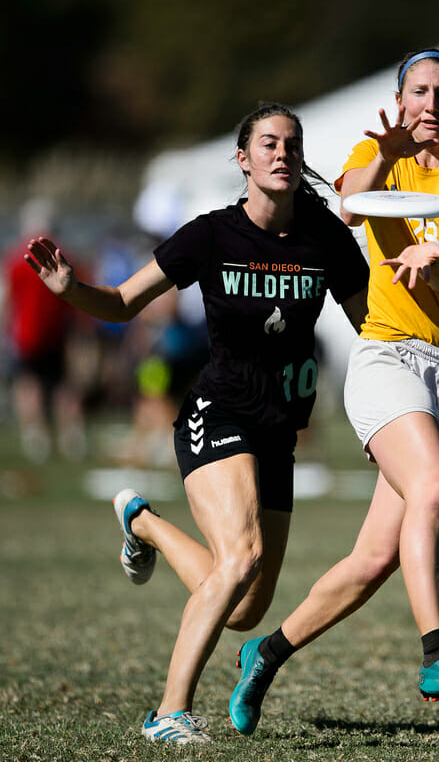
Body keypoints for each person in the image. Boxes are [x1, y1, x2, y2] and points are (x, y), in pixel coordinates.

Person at [24, 103, 369, 745]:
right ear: (243, 159)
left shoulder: (327, 238)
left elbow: (370, 329)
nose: (282, 153)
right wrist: (72, 289)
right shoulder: (211, 235)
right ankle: (168, 714)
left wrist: (387, 415)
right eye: (268, 143)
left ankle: (144, 523)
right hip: (219, 413)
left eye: (292, 143)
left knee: (244, 608)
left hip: (278, 431)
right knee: (240, 557)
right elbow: (125, 302)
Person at [229, 48, 439, 735]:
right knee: (434, 487)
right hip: (387, 358)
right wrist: (383, 154)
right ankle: (437, 655)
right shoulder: (373, 153)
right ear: (400, 97)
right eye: (418, 91)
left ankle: (263, 654)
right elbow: (350, 207)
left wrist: (435, 256)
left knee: (375, 557)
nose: (430, 104)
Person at [2, 198, 87, 462]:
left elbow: (7, 300)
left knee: (30, 385)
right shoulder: (64, 256)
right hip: (56, 332)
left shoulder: (16, 260)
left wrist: (6, 330)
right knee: (63, 385)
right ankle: (71, 435)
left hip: (26, 334)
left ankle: (36, 437)